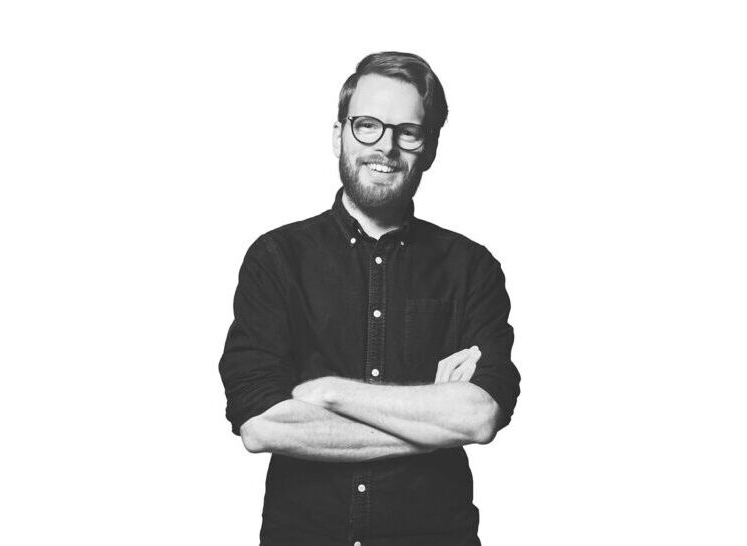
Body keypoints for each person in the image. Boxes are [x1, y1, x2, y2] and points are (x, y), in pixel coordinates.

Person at [218, 51, 521, 546]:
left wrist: (329, 393)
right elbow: (261, 426)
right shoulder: (276, 259)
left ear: (430, 147)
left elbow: (479, 416)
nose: (386, 146)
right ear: (338, 134)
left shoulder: (472, 268)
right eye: (367, 126)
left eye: (408, 131)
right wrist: (431, 423)